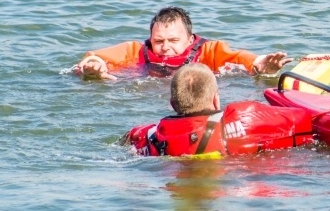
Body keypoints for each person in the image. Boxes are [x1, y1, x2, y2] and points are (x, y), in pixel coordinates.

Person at [123, 63, 313, 157]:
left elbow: (128, 138)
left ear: (172, 104)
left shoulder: (151, 137)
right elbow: (305, 118)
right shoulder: (246, 117)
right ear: (216, 99)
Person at [73, 6, 292, 80]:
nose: (165, 46)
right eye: (159, 41)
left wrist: (261, 65)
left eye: (173, 40)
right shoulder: (135, 51)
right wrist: (93, 67)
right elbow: (94, 57)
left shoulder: (209, 51)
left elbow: (239, 58)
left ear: (189, 39)